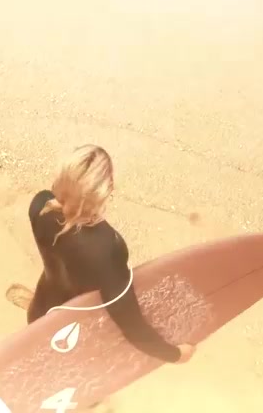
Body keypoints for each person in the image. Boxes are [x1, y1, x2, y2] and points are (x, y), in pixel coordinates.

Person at [26, 144, 194, 364]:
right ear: (106, 189)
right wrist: (174, 354)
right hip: (75, 333)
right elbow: (130, 323)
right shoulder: (105, 248)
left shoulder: (39, 205)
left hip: (40, 314)